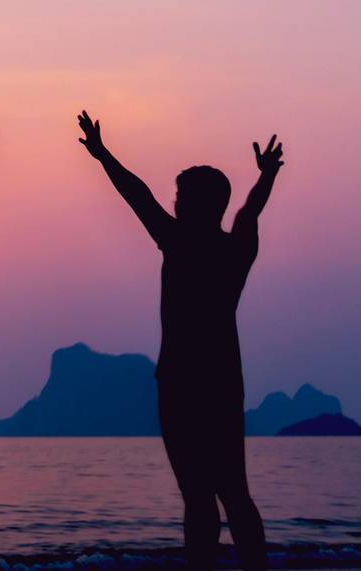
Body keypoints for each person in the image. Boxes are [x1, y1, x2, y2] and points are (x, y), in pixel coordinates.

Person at [77, 111, 281, 571]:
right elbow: (249, 211)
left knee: (203, 495)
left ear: (195, 204)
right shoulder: (234, 248)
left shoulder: (178, 240)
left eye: (181, 196)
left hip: (184, 384)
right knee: (231, 492)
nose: (174, 203)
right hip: (220, 381)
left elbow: (138, 197)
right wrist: (265, 178)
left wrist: (102, 153)